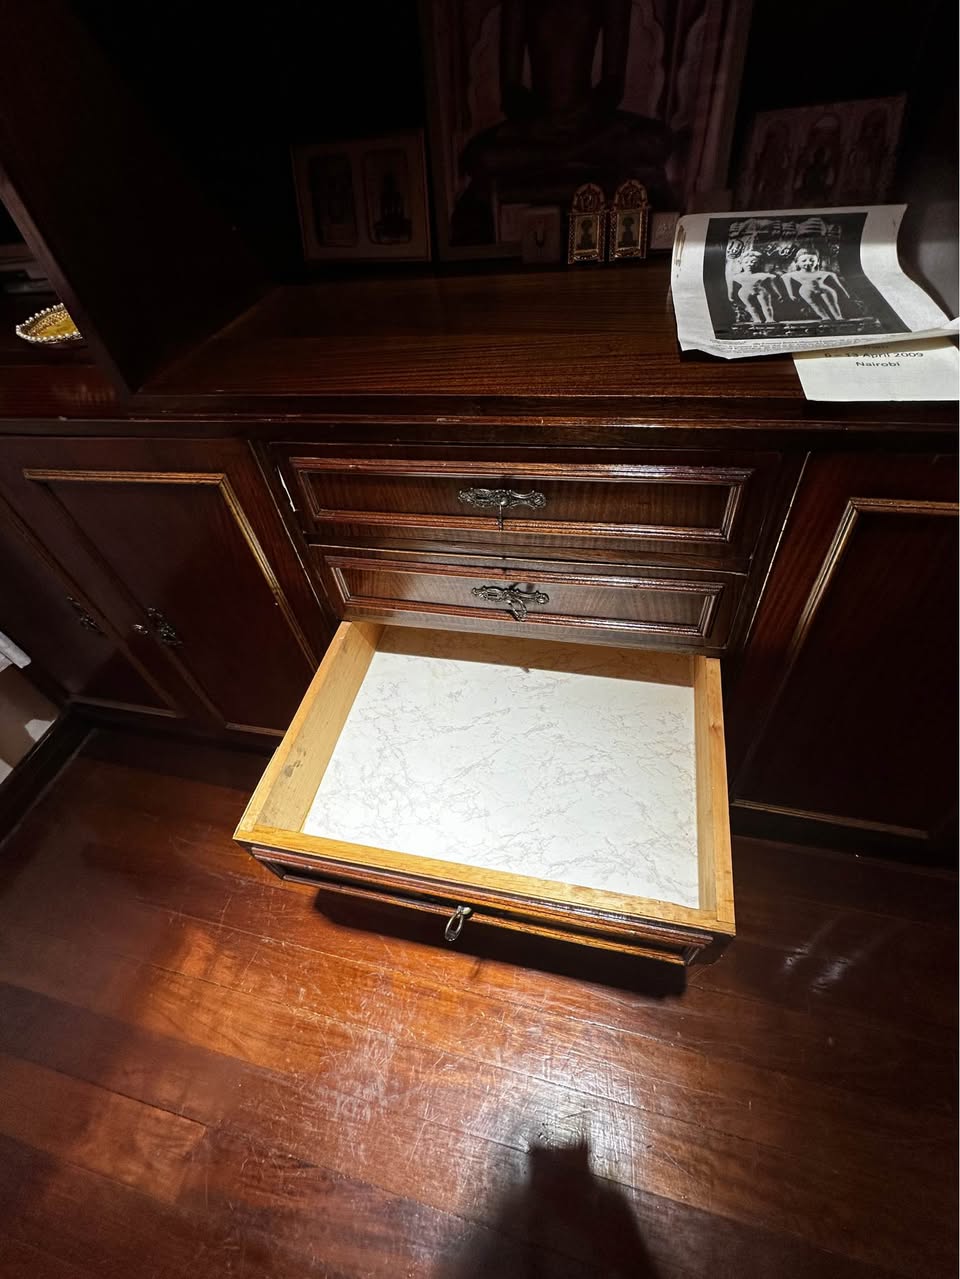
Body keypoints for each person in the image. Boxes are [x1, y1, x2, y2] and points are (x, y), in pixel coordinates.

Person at [449, 0, 670, 244]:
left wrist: (584, 115)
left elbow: (613, 85)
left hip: (589, 121)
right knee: (479, 156)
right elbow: (511, 92)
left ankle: (561, 154)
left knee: (658, 141)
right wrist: (540, 122)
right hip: (540, 125)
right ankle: (573, 153)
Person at [782, 249, 851, 321]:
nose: (808, 263)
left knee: (832, 303)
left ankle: (838, 316)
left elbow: (838, 285)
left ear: (817, 262)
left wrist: (844, 292)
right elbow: (785, 278)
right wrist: (791, 294)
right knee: (815, 305)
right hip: (806, 290)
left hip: (823, 288)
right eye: (804, 261)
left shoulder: (824, 273)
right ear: (797, 263)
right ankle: (825, 317)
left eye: (812, 260)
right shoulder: (793, 274)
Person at [726, 251, 782, 324]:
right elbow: (731, 289)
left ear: (758, 263)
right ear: (741, 264)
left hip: (760, 291)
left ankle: (770, 319)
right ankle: (756, 320)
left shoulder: (762, 275)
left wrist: (778, 294)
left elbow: (772, 286)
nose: (749, 264)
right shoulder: (737, 276)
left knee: (766, 306)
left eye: (753, 262)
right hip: (744, 292)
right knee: (750, 307)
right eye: (746, 262)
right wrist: (731, 297)